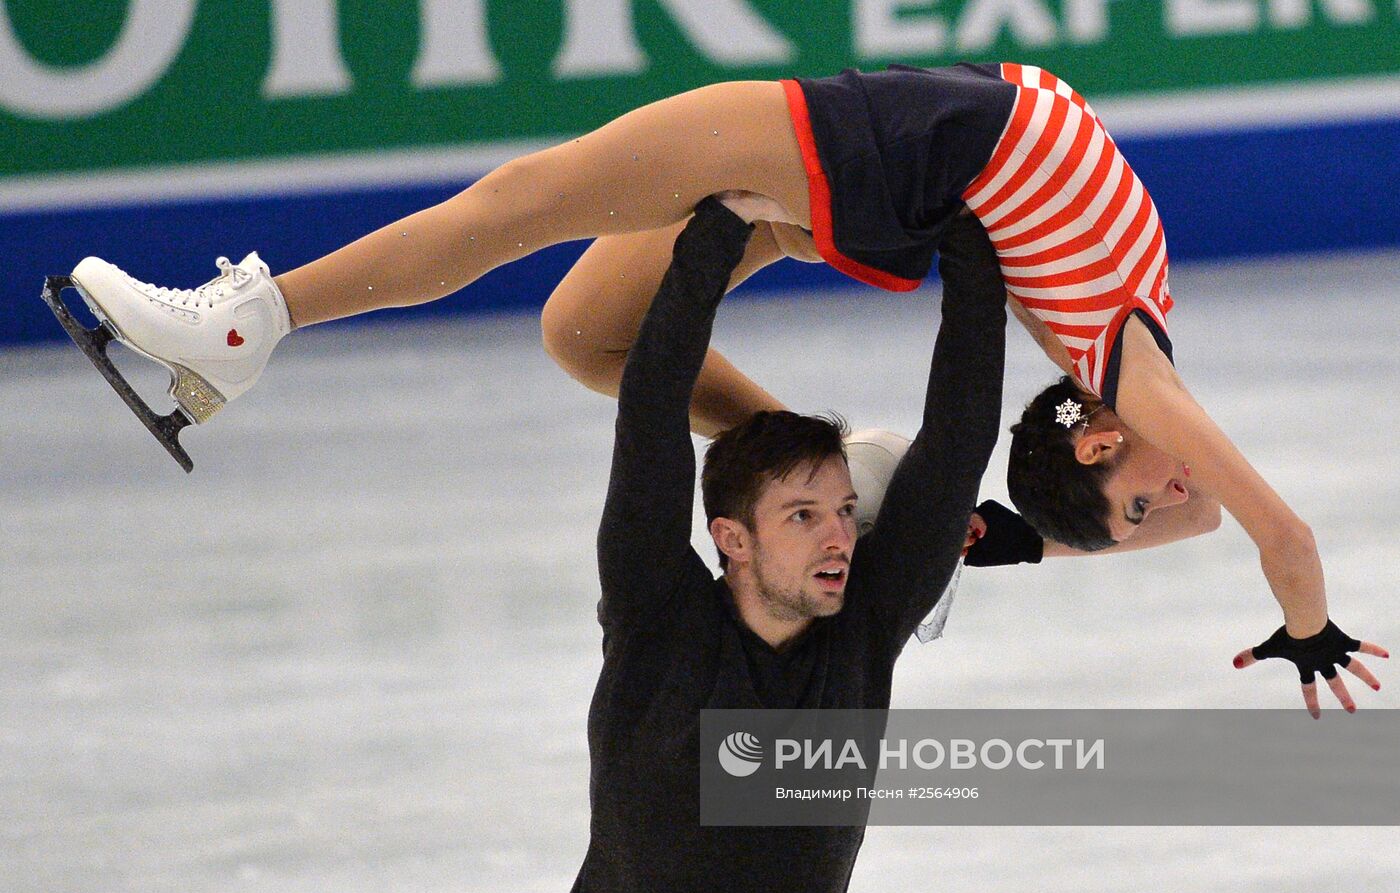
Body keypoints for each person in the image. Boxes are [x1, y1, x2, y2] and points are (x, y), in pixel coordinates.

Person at [65, 62, 1383, 710]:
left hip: (898, 178)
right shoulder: (1128, 359)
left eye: (1164, 510)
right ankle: (252, 321)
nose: (1192, 481)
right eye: (1172, 497)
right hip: (899, 144)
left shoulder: (1100, 345)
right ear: (1105, 441)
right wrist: (1311, 630)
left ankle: (247, 327)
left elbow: (1069, 502)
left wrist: (988, 524)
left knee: (577, 305)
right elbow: (1289, 531)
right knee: (557, 254)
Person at [558, 197, 1005, 893]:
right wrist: (725, 228)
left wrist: (965, 238)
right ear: (732, 537)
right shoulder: (657, 621)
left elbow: (958, 440)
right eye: (803, 516)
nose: (838, 536)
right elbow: (651, 407)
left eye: (842, 511)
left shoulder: (862, 628)